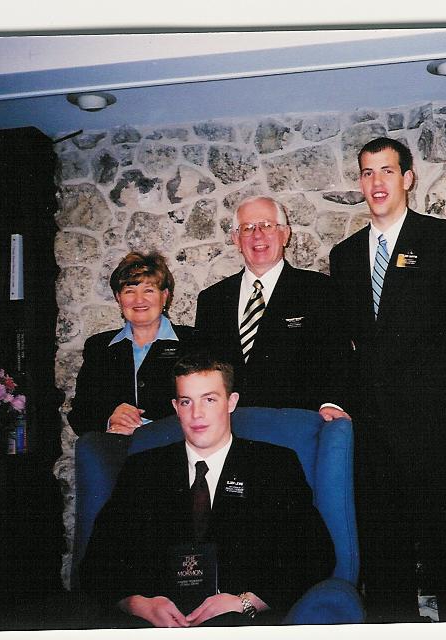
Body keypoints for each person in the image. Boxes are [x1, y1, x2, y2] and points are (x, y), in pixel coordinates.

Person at [328, 137, 446, 623]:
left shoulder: (444, 239)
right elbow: (345, 344)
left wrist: (436, 397)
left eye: (386, 171)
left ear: (408, 178)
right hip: (376, 443)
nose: (376, 182)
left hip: (439, 434)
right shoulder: (345, 256)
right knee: (386, 574)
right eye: (367, 173)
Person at [78, 352, 335, 627]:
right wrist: (137, 604)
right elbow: (96, 562)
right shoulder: (142, 470)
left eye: (209, 399)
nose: (196, 414)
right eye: (186, 402)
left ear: (231, 402)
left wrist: (245, 602)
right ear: (175, 407)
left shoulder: (274, 466)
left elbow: (316, 554)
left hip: (240, 625)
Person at [195, 195, 350, 420]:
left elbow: (338, 359)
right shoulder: (212, 300)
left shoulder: (319, 290)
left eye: (267, 225)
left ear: (285, 234)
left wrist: (330, 404)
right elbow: (202, 371)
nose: (257, 235)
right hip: (229, 430)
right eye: (247, 228)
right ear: (236, 239)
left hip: (295, 426)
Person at [69, 251, 200, 436]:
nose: (139, 300)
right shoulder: (98, 347)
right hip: (116, 450)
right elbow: (79, 414)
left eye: (148, 290)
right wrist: (110, 419)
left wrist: (149, 430)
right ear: (118, 298)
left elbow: (206, 409)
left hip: (174, 449)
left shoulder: (194, 343)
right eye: (129, 291)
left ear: (165, 296)